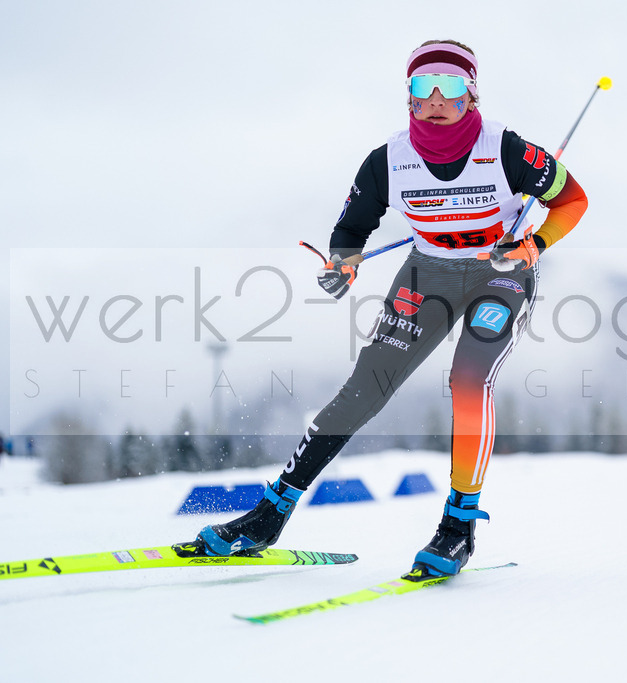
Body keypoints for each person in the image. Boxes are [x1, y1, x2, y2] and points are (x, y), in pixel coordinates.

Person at [188, 39, 588, 578]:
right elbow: (352, 228)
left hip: (500, 272)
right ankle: (269, 514)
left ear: (471, 94)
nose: (437, 97)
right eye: (424, 85)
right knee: (364, 388)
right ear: (409, 96)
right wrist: (343, 262)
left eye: (451, 84)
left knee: (469, 380)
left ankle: (458, 527)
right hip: (427, 273)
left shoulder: (508, 150)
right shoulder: (388, 162)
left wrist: (535, 245)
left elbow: (573, 199)